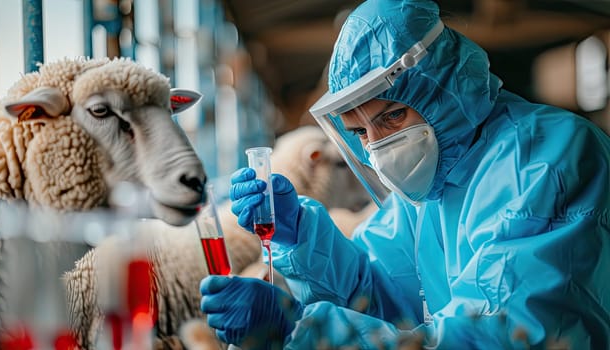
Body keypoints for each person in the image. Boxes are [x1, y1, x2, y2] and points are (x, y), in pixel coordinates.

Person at [199, 0, 610, 348]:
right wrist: (301, 235)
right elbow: (379, 295)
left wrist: (298, 329)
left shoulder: (545, 160)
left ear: (442, 87)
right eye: (360, 132)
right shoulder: (430, 187)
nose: (378, 147)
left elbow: (494, 335)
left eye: (393, 115)